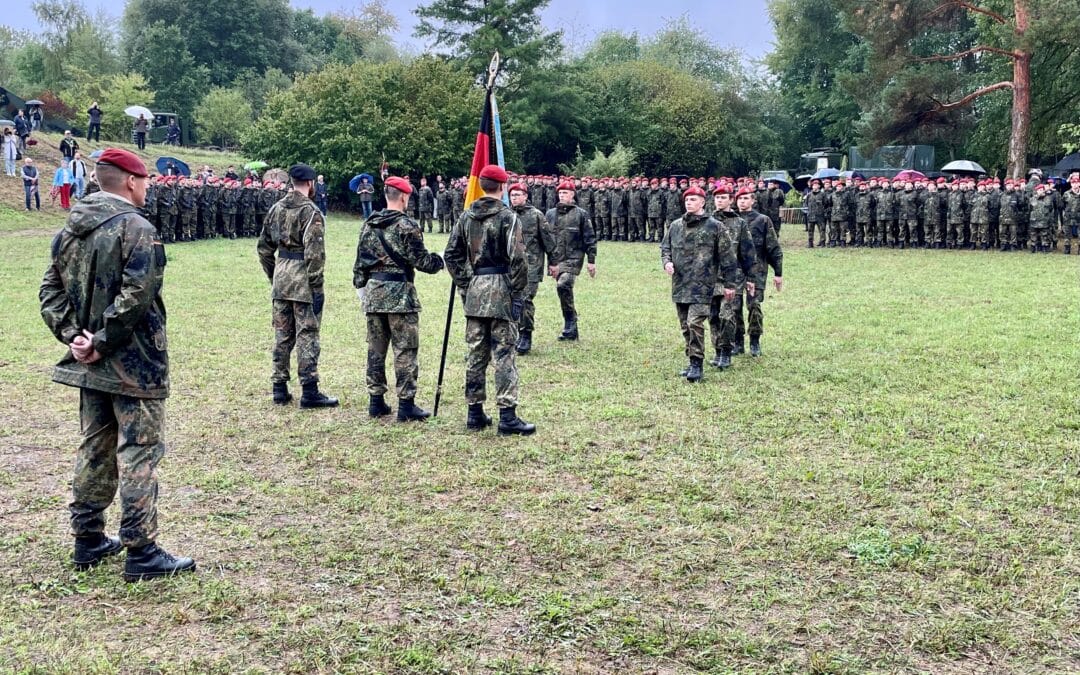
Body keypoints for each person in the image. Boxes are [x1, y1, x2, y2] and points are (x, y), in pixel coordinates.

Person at [38, 147, 196, 581]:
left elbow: (49, 292)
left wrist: (75, 337)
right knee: (139, 450)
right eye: (144, 180)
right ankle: (141, 550)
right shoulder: (136, 228)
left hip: (90, 362)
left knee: (95, 447)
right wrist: (102, 341)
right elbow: (138, 295)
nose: (147, 188)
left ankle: (87, 538)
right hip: (134, 362)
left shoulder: (69, 230)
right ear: (130, 181)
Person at [444, 164, 535, 435]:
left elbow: (451, 254)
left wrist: (466, 282)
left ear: (482, 186)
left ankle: (474, 412)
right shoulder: (508, 217)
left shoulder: (466, 216)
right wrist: (517, 292)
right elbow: (519, 258)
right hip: (502, 289)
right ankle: (507, 416)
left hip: (476, 289)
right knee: (504, 354)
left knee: (476, 353)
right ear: (503, 187)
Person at [352, 176, 444, 421]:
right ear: (404, 197)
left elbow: (359, 264)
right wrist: (440, 260)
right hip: (400, 295)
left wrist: (362, 291)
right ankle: (406, 405)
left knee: (376, 349)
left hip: (373, 293)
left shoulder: (369, 224)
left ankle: (376, 401)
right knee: (405, 349)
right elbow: (422, 262)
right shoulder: (406, 225)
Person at [257, 164, 338, 407]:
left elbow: (264, 248)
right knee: (307, 334)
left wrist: (275, 274)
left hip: (282, 278)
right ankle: (309, 390)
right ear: (311, 183)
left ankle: (279, 387)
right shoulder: (311, 212)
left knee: (282, 335)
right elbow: (314, 254)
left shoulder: (276, 208)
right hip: (303, 280)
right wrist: (316, 285)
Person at [661, 185, 738, 382]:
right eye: (687, 199)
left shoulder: (715, 227)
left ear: (703, 202)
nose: (689, 202)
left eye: (693, 199)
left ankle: (697, 364)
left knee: (694, 323)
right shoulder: (676, 226)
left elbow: (728, 257)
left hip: (703, 286)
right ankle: (691, 359)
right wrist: (667, 262)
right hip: (680, 284)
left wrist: (730, 284)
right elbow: (665, 247)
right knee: (685, 326)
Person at [543, 180, 597, 342]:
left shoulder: (581, 214)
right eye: (560, 193)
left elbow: (589, 238)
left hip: (574, 258)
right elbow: (545, 237)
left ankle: (570, 323)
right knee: (563, 292)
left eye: (565, 193)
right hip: (556, 259)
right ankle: (571, 325)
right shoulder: (550, 214)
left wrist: (591, 261)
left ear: (572, 194)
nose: (562, 195)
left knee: (563, 285)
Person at [735, 188, 783, 357]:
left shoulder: (762, 220)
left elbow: (773, 247)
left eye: (745, 198)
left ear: (753, 200)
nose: (742, 201)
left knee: (754, 305)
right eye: (739, 198)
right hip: (734, 270)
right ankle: (738, 341)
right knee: (734, 307)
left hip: (757, 270)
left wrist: (778, 273)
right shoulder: (731, 219)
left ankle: (754, 340)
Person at [508, 182, 549, 355]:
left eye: (518, 195)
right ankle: (513, 334)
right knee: (510, 300)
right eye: (512, 195)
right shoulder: (506, 215)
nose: (514, 198)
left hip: (531, 265)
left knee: (525, 299)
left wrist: (554, 264)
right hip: (510, 266)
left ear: (525, 196)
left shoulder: (536, 215)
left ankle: (526, 335)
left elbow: (548, 241)